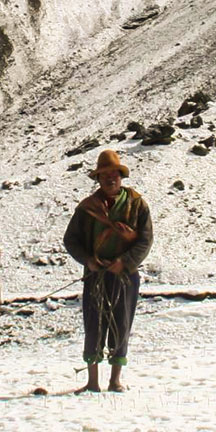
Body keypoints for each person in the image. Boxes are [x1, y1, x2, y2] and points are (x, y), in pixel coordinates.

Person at [63, 149, 153, 392]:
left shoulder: (137, 204)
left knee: (121, 322)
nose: (110, 179)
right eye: (104, 176)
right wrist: (89, 261)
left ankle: (115, 380)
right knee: (94, 323)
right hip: (96, 274)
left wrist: (124, 262)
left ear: (121, 176)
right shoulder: (87, 208)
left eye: (114, 174)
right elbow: (71, 240)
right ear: (98, 179)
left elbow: (145, 240)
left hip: (125, 275)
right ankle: (92, 381)